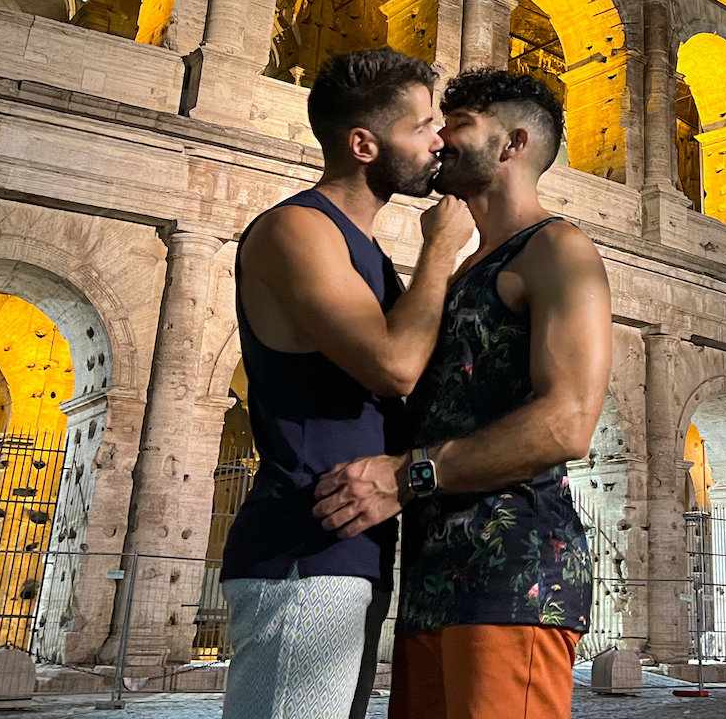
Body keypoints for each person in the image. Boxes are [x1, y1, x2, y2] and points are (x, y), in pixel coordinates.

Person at [315, 68, 612, 718]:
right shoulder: (461, 268)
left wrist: (405, 476)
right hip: (431, 588)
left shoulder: (557, 248)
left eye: (461, 123)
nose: (440, 137)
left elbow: (567, 423)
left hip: (512, 579)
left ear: (514, 145)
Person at [220, 49, 474, 719]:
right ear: (364, 144)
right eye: (421, 126)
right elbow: (393, 366)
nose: (437, 141)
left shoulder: (367, 255)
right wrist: (442, 252)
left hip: (350, 548)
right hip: (304, 546)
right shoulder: (296, 228)